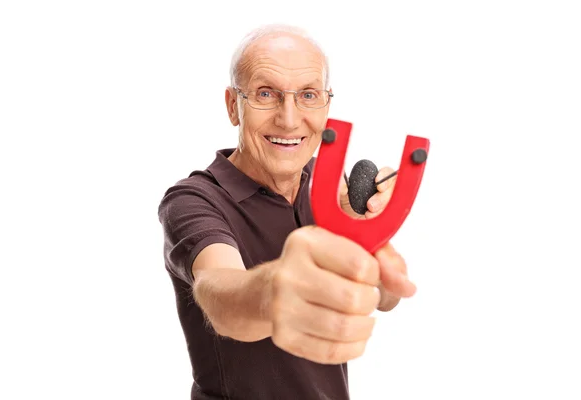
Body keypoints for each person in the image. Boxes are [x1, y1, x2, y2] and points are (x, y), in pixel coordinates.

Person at [158, 24, 417, 400]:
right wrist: (275, 292)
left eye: (308, 95)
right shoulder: (194, 199)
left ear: (327, 105)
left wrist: (364, 235)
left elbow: (386, 297)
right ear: (234, 106)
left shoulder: (331, 188)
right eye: (266, 94)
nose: (290, 119)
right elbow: (220, 292)